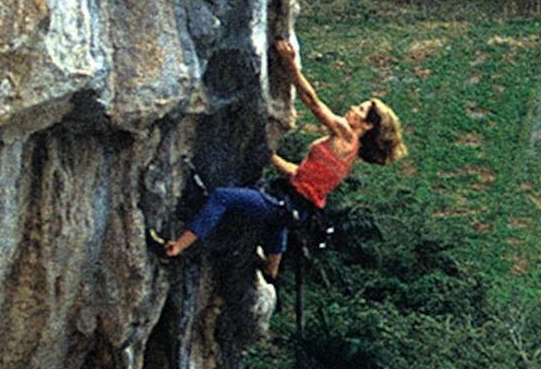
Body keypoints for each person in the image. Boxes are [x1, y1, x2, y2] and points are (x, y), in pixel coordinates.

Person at [160, 42, 406, 278]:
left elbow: (313, 102)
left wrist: (291, 66)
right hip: (295, 208)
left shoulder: (346, 134)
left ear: (367, 125)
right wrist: (271, 157)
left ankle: (177, 247)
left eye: (361, 110)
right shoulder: (349, 156)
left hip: (287, 204)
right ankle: (271, 271)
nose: (353, 108)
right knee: (277, 220)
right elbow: (300, 175)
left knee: (222, 197)